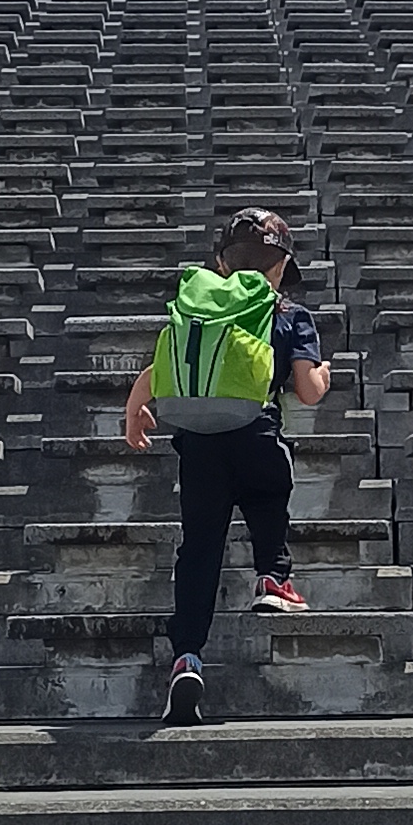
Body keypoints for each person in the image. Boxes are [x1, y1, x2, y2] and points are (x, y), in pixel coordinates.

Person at [124, 206, 331, 724]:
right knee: (268, 498)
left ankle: (187, 656)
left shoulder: (199, 313)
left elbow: (158, 368)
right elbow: (307, 391)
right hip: (256, 432)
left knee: (199, 548)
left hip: (199, 444)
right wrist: (325, 373)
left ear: (221, 263)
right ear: (282, 267)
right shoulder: (289, 315)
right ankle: (272, 579)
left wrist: (134, 413)